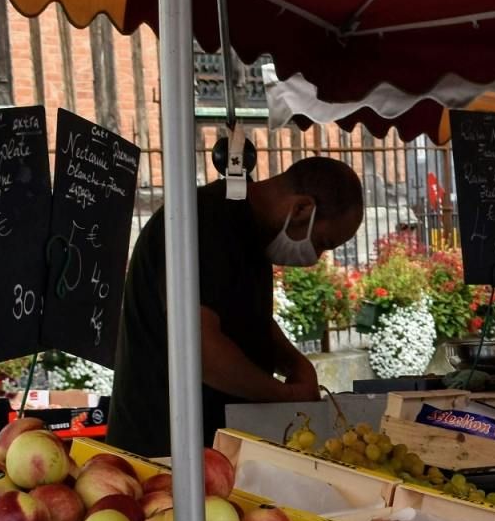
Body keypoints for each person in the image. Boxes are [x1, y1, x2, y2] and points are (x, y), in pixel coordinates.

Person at [109, 157, 362, 456]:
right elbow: (201, 351)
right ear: (302, 209)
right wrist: (283, 395)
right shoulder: (204, 223)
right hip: (163, 448)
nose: (316, 256)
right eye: (322, 242)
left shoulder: (251, 228)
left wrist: (295, 363)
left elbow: (247, 317)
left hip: (213, 446)